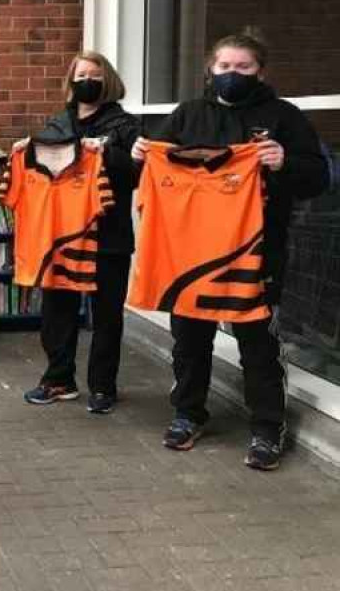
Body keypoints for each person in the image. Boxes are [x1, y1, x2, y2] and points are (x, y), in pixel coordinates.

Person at [133, 29, 329, 470]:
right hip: (191, 253)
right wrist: (138, 154)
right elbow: (147, 167)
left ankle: (267, 428)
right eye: (225, 67)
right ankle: (188, 414)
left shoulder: (284, 116)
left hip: (257, 251)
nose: (232, 75)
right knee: (190, 341)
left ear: (261, 71)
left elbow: (319, 177)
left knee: (257, 343)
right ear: (210, 69)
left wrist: (287, 162)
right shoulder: (187, 115)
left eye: (244, 67)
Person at [12, 51, 140, 414]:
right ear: (71, 82)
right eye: (81, 74)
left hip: (107, 236)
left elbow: (138, 174)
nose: (88, 81)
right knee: (57, 312)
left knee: (106, 316)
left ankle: (103, 386)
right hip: (61, 237)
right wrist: (26, 152)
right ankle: (58, 379)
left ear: (108, 80)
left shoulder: (126, 125)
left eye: (95, 75)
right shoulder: (55, 125)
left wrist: (108, 153)